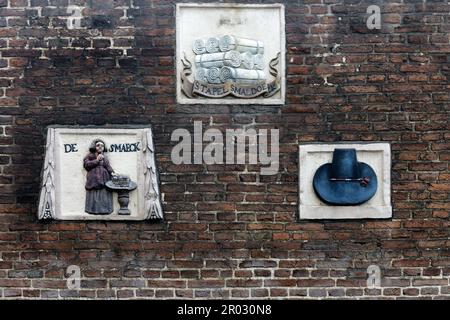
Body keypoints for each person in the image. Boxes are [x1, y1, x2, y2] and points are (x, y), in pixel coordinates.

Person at [83, 139, 116, 214]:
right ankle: (92, 210)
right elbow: (86, 165)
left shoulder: (105, 157)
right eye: (98, 145)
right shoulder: (90, 156)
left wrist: (112, 173)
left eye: (102, 145)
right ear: (94, 147)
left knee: (104, 193)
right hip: (93, 179)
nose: (100, 147)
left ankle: (105, 210)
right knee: (94, 194)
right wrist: (97, 160)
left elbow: (108, 166)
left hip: (104, 178)